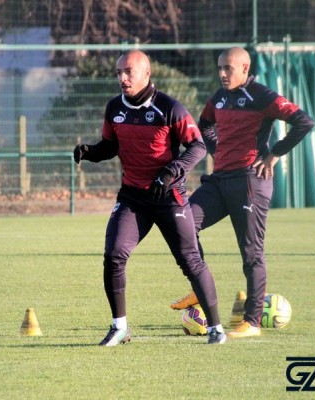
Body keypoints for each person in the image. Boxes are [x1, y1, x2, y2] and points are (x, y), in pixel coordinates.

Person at [74, 50, 226, 346]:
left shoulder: (169, 108)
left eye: (128, 71)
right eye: (119, 72)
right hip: (133, 197)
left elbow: (197, 147)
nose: (122, 77)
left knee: (190, 261)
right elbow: (110, 145)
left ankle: (216, 328)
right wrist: (91, 152)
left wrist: (171, 171)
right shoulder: (114, 107)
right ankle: (120, 327)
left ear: (146, 73)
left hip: (169, 197)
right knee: (114, 255)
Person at [169, 47, 315, 338]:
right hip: (219, 181)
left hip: (250, 181)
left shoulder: (263, 96)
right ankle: (199, 289)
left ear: (245, 68)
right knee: (182, 223)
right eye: (220, 67)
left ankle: (252, 322)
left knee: (251, 253)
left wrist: (273, 154)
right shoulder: (219, 98)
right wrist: (216, 148)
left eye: (229, 68)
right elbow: (204, 126)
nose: (222, 74)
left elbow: (304, 121)